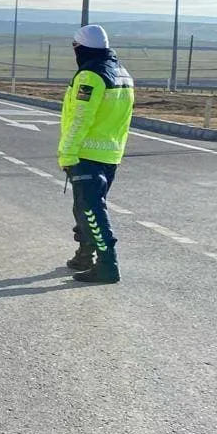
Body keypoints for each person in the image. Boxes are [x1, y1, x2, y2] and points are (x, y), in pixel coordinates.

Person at [59, 24, 134, 284]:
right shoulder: (122, 73)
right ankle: (84, 255)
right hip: (110, 153)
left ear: (80, 48)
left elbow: (81, 118)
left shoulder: (90, 76)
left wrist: (67, 153)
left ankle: (107, 265)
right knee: (85, 207)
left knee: (91, 209)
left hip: (86, 153)